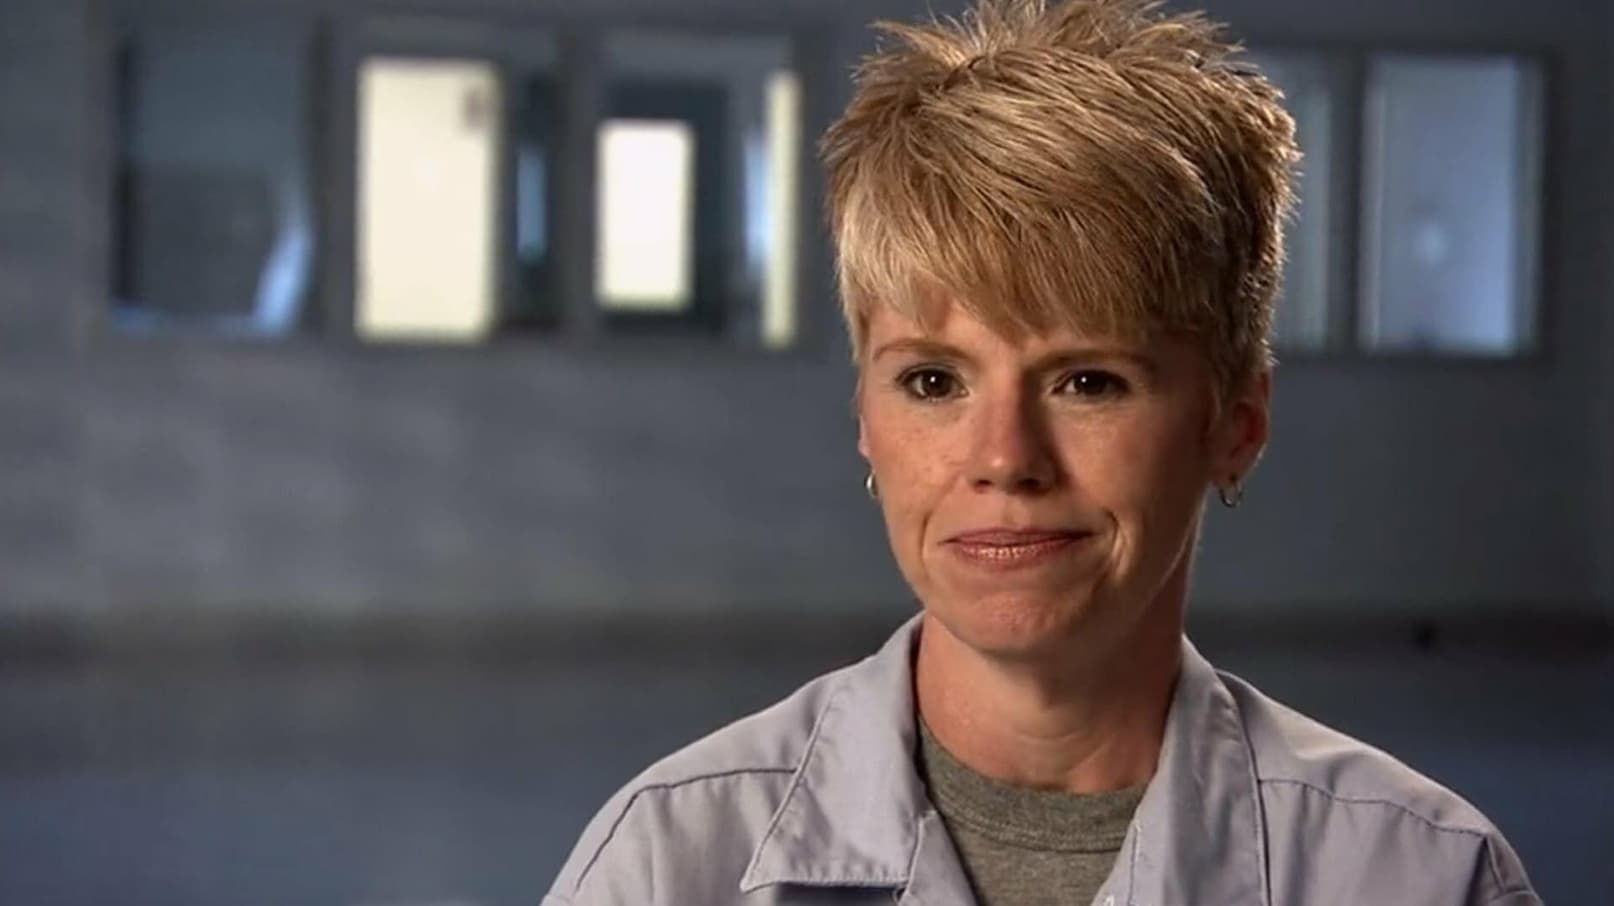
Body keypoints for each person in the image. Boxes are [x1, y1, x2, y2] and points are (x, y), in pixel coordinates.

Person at [543, 0, 1541, 902]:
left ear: (1237, 424)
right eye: (933, 382)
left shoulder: (1421, 875)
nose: (1005, 458)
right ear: (867, 421)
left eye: (1088, 382)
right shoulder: (670, 861)